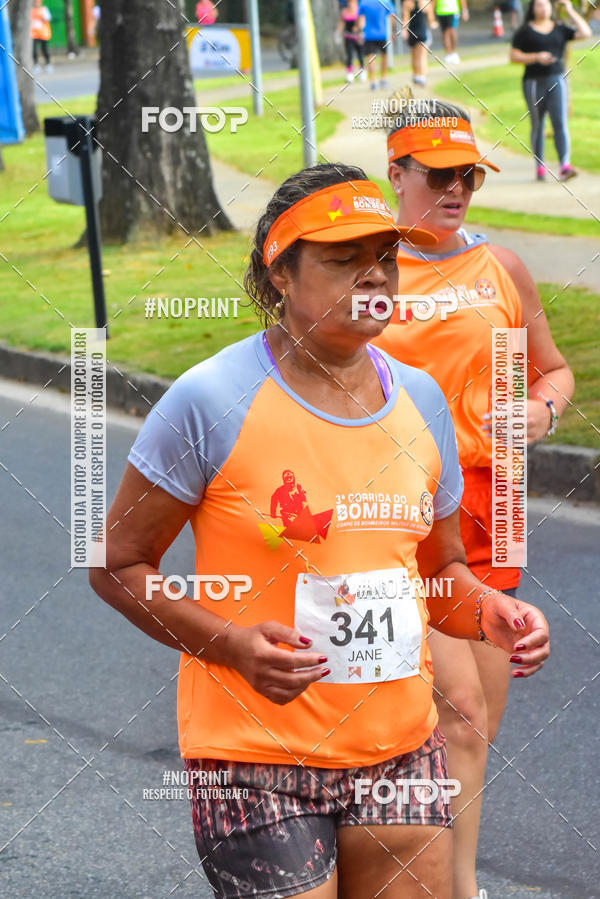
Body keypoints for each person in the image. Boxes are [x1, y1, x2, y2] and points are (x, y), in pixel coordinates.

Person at [91, 163, 550, 899]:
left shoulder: (423, 402)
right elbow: (115, 564)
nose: (374, 278)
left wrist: (490, 612)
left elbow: (442, 578)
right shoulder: (211, 399)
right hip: (254, 757)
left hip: (402, 749)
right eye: (343, 260)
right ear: (280, 272)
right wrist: (232, 645)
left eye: (385, 258)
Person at [374, 102, 572, 899]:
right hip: (383, 525)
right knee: (408, 724)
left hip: (492, 521)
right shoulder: (363, 263)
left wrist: (541, 409)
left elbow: (554, 370)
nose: (457, 189)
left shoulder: (502, 267)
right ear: (396, 173)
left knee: (470, 727)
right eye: (438, 174)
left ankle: (457, 887)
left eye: (469, 175)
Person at [510, 0, 591, 181]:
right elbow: (513, 55)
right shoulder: (525, 31)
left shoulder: (560, 29)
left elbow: (586, 32)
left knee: (560, 123)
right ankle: (540, 166)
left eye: (546, 5)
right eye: (539, 5)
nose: (543, 8)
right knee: (538, 124)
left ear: (551, 8)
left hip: (556, 80)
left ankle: (565, 165)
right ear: (533, 8)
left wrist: (570, 10)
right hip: (533, 82)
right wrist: (535, 57)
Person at [358, 0, 395, 90]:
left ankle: (373, 81)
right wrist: (393, 31)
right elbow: (392, 16)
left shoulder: (364, 2)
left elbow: (360, 18)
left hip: (369, 34)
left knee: (370, 58)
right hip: (382, 34)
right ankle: (383, 78)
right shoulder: (386, 1)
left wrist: (360, 31)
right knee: (384, 56)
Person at [402, 0, 439, 86]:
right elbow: (431, 20)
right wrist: (434, 23)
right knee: (422, 56)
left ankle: (416, 76)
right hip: (422, 32)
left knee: (414, 55)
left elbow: (405, 19)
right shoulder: (425, 3)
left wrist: (404, 31)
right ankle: (422, 77)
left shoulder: (407, 3)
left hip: (412, 32)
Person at [337, 0, 367, 83]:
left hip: (358, 37)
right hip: (348, 37)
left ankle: (362, 72)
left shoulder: (359, 10)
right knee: (349, 56)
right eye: (349, 1)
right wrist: (337, 33)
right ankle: (349, 74)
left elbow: (363, 22)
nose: (351, 3)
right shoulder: (345, 11)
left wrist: (358, 28)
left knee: (360, 55)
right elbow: (341, 23)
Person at [435, 0, 469, 65]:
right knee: (445, 33)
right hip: (441, 11)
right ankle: (448, 54)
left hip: (452, 11)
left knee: (450, 31)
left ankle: (452, 53)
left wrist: (464, 11)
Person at [30, 0, 52, 74]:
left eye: (38, 2)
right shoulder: (31, 10)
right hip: (33, 34)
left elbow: (48, 18)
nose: (36, 3)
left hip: (43, 33)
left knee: (44, 49)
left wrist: (42, 17)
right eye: (35, 2)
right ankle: (36, 65)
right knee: (34, 50)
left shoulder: (44, 9)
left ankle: (48, 64)